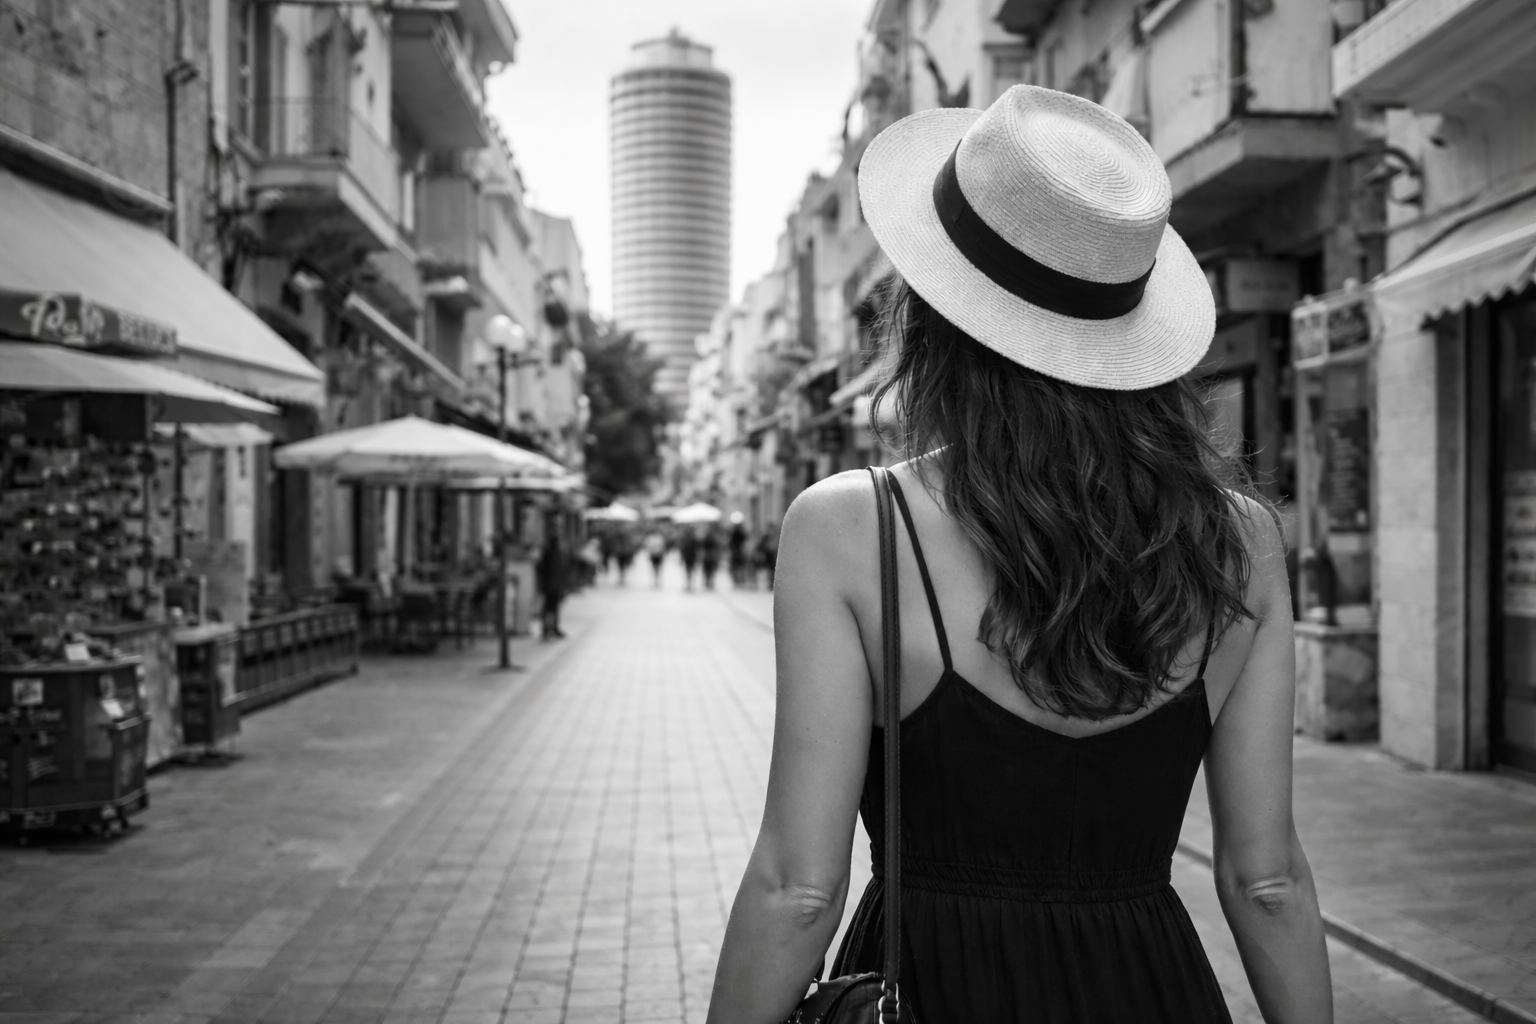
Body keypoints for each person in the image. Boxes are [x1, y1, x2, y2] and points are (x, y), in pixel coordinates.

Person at [706, 86, 1330, 1024]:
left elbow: (798, 889)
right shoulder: (1241, 540)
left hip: (928, 990)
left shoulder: (852, 528)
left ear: (933, 317)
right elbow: (1267, 878)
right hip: (1150, 990)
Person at [535, 533, 569, 639]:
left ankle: (552, 628)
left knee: (553, 608)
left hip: (554, 585)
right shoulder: (551, 553)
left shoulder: (555, 553)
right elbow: (543, 569)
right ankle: (547, 628)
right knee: (549, 608)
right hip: (551, 586)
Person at [727, 513, 750, 588]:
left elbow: (745, 540)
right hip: (736, 551)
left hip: (739, 551)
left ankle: (739, 580)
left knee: (739, 566)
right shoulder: (734, 532)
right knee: (737, 566)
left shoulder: (739, 532)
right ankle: (737, 580)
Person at [699, 526, 722, 590]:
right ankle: (709, 581)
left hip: (709, 556)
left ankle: (709, 581)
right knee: (709, 570)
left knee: (709, 570)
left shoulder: (706, 539)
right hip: (709, 556)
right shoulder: (711, 539)